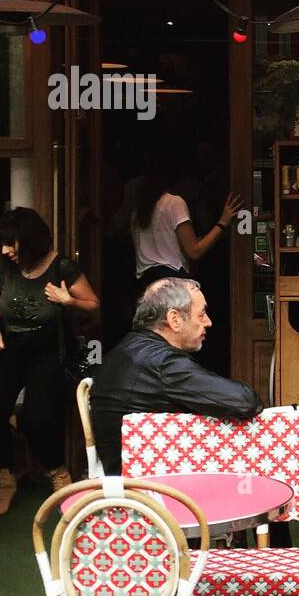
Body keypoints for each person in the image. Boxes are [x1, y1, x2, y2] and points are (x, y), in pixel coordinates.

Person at [0, 208, 100, 515]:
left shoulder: (62, 267)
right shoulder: (5, 265)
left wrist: (68, 300)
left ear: (30, 241)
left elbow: (93, 305)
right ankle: (4, 479)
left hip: (47, 350)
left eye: (11, 243)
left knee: (38, 415)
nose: (5, 250)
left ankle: (58, 473)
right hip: (10, 347)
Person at [89, 278, 261, 475]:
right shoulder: (162, 363)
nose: (208, 322)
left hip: (123, 476)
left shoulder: (127, 349)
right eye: (202, 313)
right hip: (149, 488)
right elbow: (245, 401)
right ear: (175, 319)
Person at [129, 164, 243, 294]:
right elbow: (194, 251)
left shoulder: (138, 210)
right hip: (171, 280)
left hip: (145, 281)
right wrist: (223, 221)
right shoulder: (174, 203)